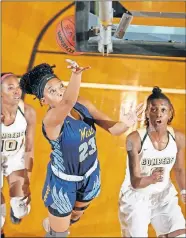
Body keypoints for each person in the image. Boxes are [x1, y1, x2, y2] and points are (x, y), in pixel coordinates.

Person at [20, 59, 144, 237]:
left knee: (75, 216)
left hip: (90, 175)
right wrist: (76, 75)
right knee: (59, 235)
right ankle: (55, 227)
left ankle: (58, 222)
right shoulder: (51, 121)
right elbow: (67, 102)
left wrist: (125, 123)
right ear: (43, 100)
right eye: (52, 91)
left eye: (60, 86)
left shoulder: (82, 104)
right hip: (63, 184)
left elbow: (114, 130)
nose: (60, 92)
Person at [118, 86, 186, 237]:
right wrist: (151, 178)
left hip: (164, 196)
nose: (158, 114)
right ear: (147, 113)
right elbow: (135, 182)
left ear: (170, 113)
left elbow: (180, 169)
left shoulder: (179, 138)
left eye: (163, 110)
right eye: (153, 109)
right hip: (136, 198)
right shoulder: (134, 139)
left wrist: (184, 191)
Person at [1, 73, 36, 237]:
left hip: (15, 160)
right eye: (10, 88)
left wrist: (27, 177)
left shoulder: (28, 112)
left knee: (21, 209)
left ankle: (15, 211)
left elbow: (29, 147)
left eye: (18, 87)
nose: (17, 91)